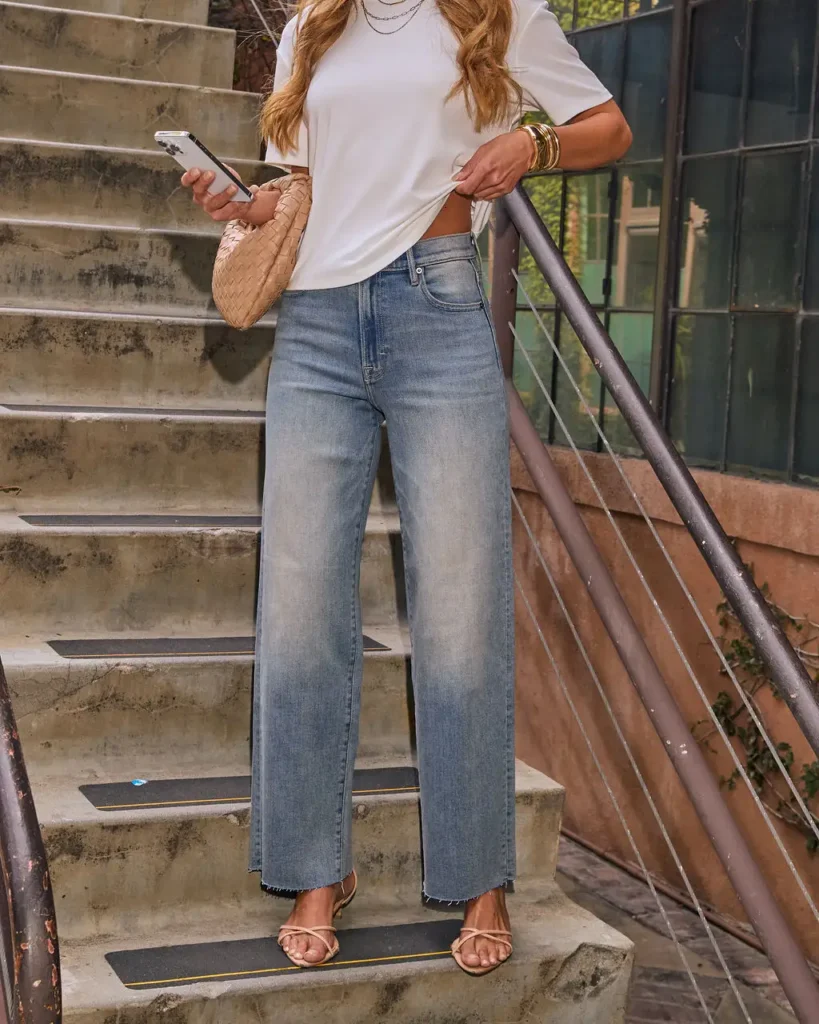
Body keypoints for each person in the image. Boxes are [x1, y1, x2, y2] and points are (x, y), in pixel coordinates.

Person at [182, 0, 631, 977]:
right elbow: (306, 190)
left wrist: (528, 146)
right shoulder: (313, 29)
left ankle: (479, 879)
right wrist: (241, 203)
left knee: (463, 609)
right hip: (315, 326)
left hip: (438, 307)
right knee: (299, 608)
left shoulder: (499, 17)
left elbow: (607, 123)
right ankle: (312, 871)